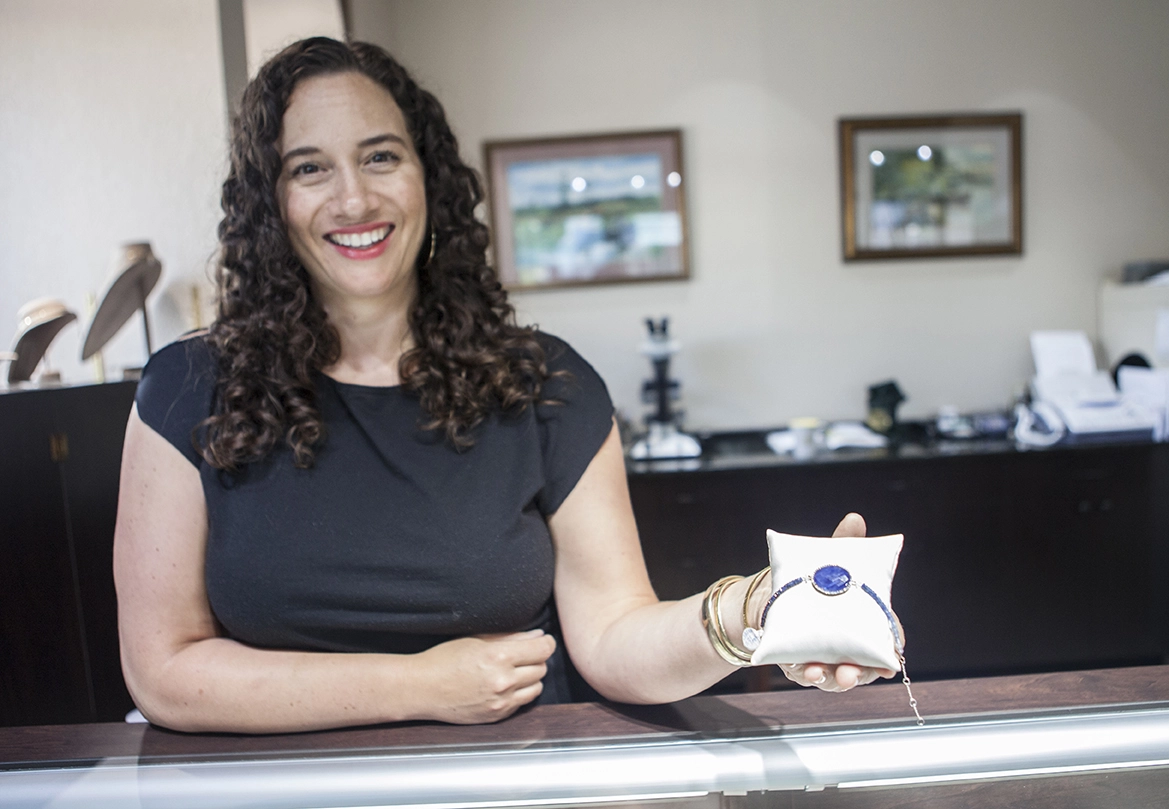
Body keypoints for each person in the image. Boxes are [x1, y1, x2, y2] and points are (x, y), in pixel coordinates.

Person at [113, 37, 893, 734]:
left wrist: (746, 613)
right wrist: (419, 683)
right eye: (309, 168)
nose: (352, 198)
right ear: (268, 203)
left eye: (381, 156)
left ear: (429, 178)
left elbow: (616, 636)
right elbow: (165, 672)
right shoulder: (189, 389)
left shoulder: (545, 385)